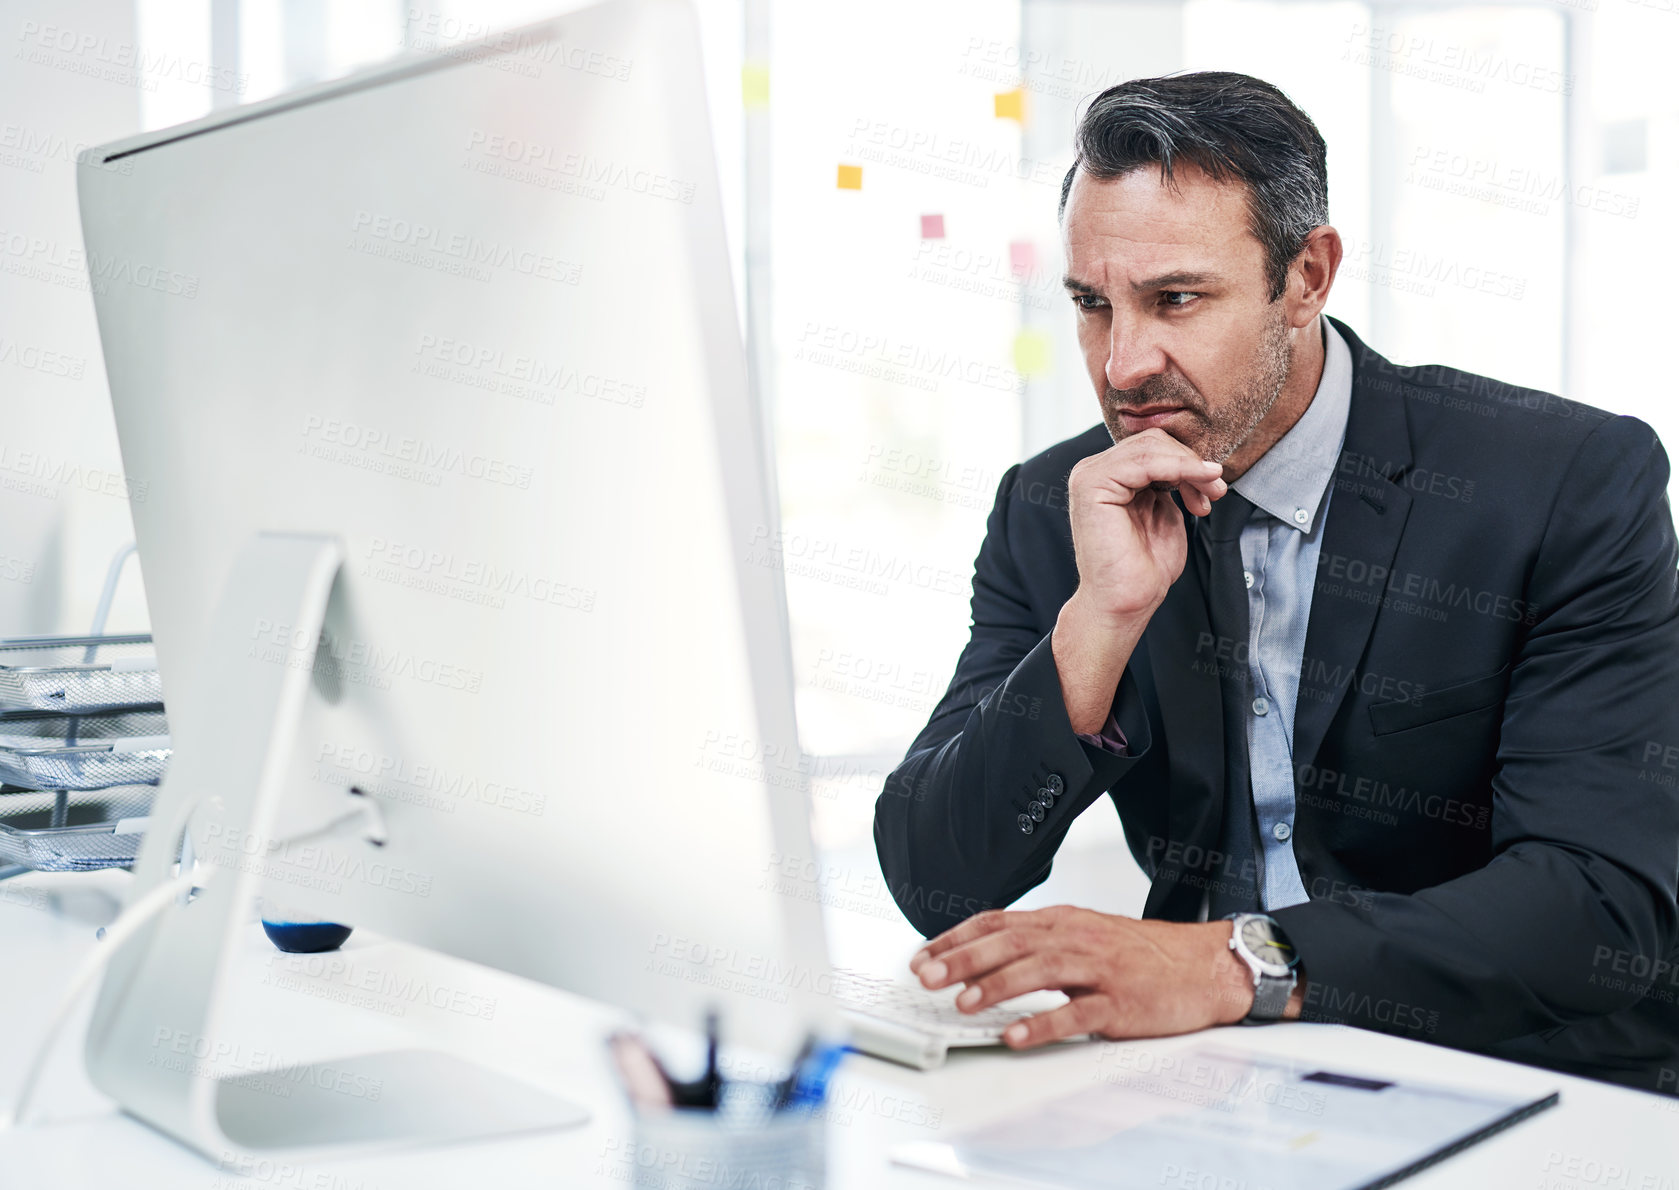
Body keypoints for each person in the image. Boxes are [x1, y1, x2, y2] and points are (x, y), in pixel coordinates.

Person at [872, 70, 1679, 1096]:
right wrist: (1094, 627)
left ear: (1305, 275)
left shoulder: (1559, 485)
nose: (1120, 365)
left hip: (1518, 1078)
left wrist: (1230, 961)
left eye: (1174, 299)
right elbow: (936, 878)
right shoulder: (1055, 505)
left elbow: (1595, 907)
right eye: (1090, 305)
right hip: (1202, 1078)